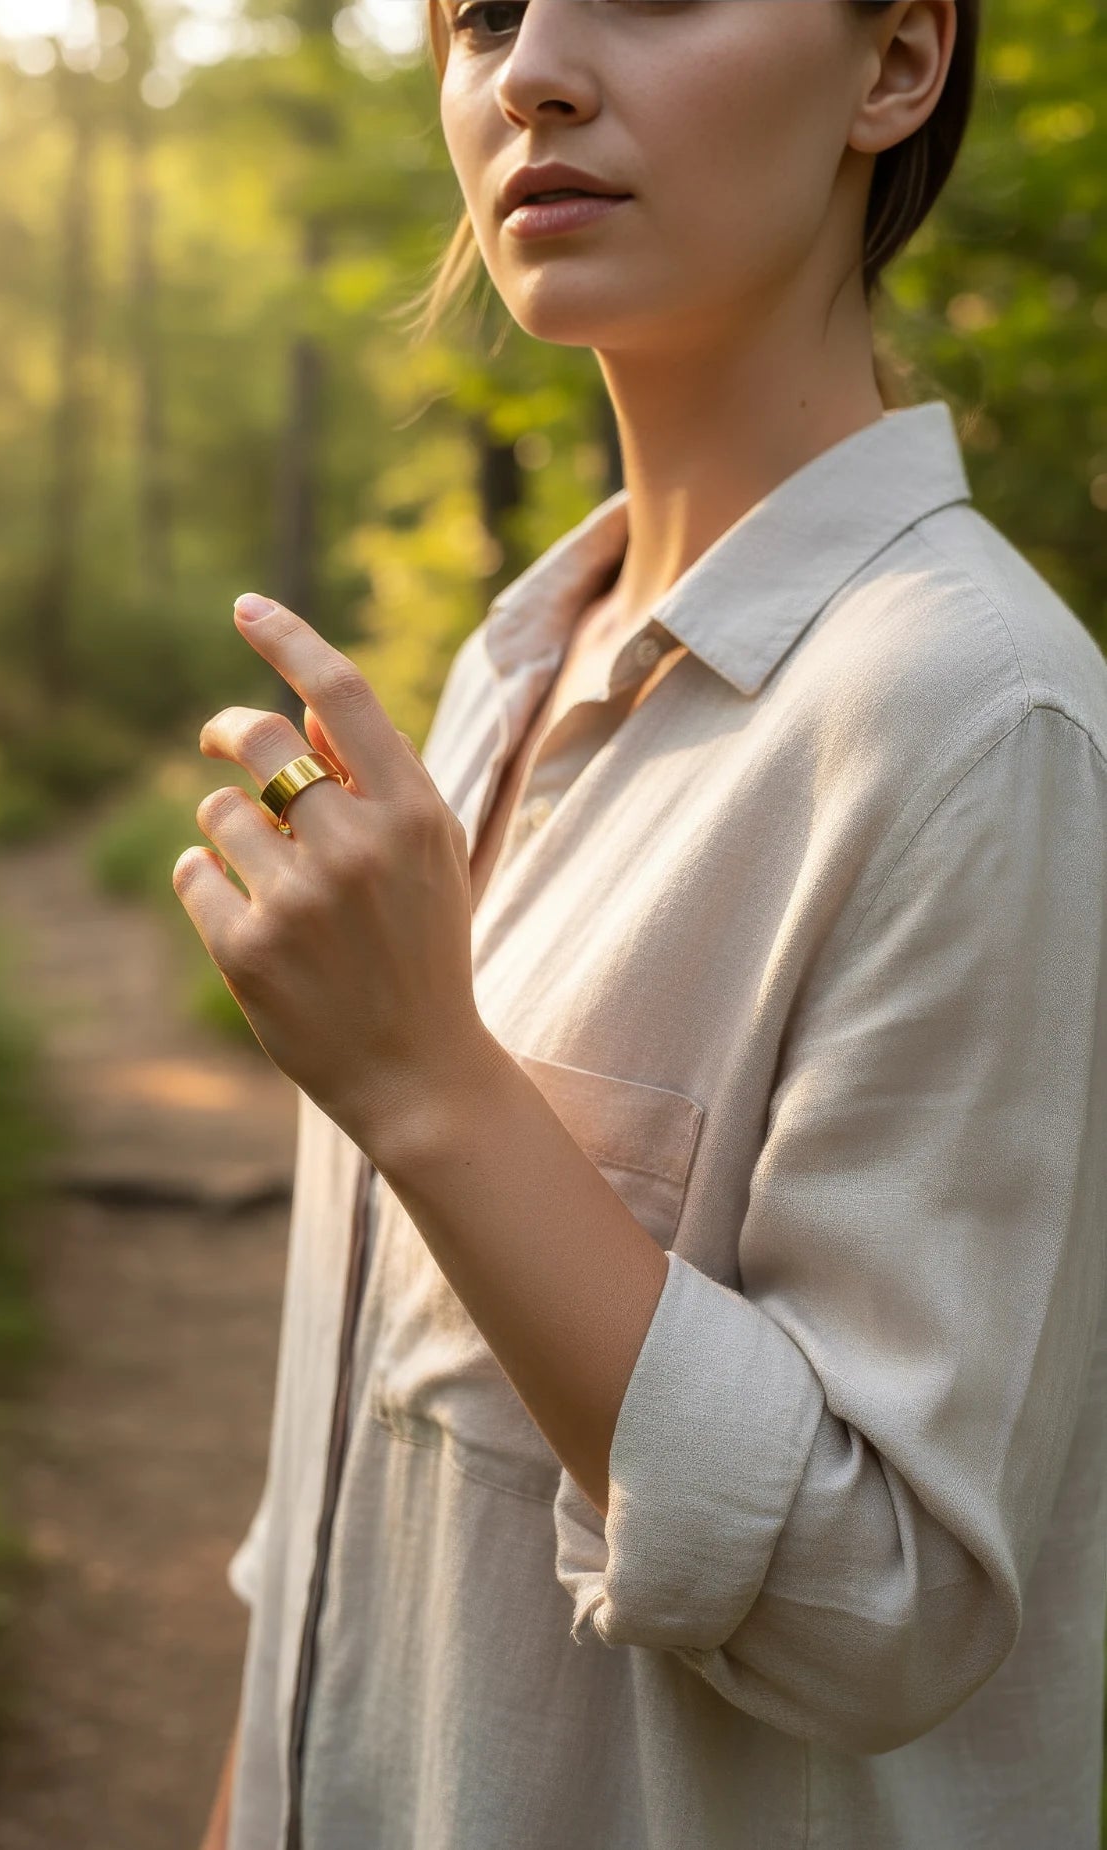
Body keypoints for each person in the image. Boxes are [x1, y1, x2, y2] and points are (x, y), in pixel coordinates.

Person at [178, 1, 1107, 1845]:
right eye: (477, 12)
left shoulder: (979, 725)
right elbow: (345, 1494)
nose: (528, 69)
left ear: (897, 63)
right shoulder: (503, 676)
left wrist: (435, 1087)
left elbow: (889, 1606)